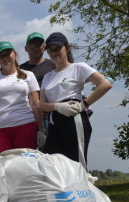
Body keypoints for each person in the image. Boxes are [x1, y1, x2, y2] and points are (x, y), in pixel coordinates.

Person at [40, 32, 112, 169]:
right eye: (51, 50)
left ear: (66, 48)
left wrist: (83, 105)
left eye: (57, 49)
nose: (54, 53)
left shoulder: (78, 67)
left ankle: (83, 189)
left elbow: (105, 84)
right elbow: (42, 104)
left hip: (74, 118)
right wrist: (57, 107)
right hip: (55, 121)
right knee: (53, 165)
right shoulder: (47, 77)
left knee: (76, 165)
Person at [0, 41, 44, 157]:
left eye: (8, 54)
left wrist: (41, 129)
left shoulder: (28, 75)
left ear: (15, 54)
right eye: (1, 56)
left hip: (25, 125)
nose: (5, 58)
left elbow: (35, 103)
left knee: (26, 167)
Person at [19, 32, 56, 139]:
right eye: (32, 45)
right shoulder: (21, 70)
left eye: (39, 45)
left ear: (44, 47)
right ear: (26, 48)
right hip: (27, 117)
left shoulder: (52, 65)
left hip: (48, 116)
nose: (36, 48)